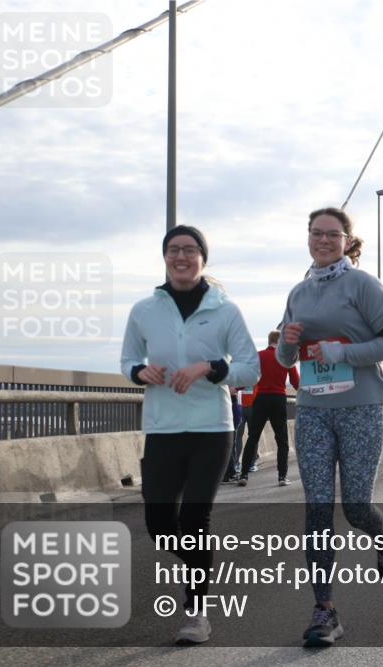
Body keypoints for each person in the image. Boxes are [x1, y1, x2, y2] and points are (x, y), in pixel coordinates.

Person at [120, 225, 260, 644]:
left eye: (190, 250)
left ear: (203, 258)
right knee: (160, 525)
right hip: (162, 428)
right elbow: (128, 360)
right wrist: (138, 372)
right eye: (173, 250)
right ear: (165, 257)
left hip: (211, 429)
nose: (181, 257)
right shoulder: (144, 310)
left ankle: (196, 613)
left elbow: (250, 369)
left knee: (195, 519)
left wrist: (210, 368)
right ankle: (204, 563)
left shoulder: (225, 310)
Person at [275, 207, 383, 646]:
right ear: (307, 238)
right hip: (312, 409)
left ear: (348, 240)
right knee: (317, 510)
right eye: (316, 234)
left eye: (332, 234)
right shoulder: (298, 291)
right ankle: (324, 611)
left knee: (355, 507)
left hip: (361, 406)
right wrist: (288, 346)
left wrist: (342, 353)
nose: (323, 240)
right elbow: (284, 359)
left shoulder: (364, 285)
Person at [237, 330, 300, 486]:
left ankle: (244, 475)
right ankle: (282, 477)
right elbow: (295, 381)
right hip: (278, 399)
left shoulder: (258, 356)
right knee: (282, 440)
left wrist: (238, 387)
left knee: (253, 437)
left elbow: (249, 377)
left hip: (261, 399)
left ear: (269, 340)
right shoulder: (285, 357)